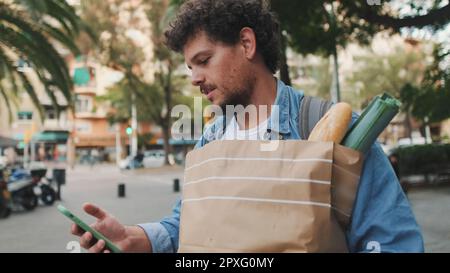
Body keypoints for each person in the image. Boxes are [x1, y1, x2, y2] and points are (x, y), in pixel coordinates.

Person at [70, 0, 424, 253]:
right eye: (189, 68)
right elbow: (188, 226)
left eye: (203, 61)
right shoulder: (211, 139)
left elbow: (391, 241)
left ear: (246, 44)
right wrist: (133, 237)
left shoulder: (332, 128)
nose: (194, 78)